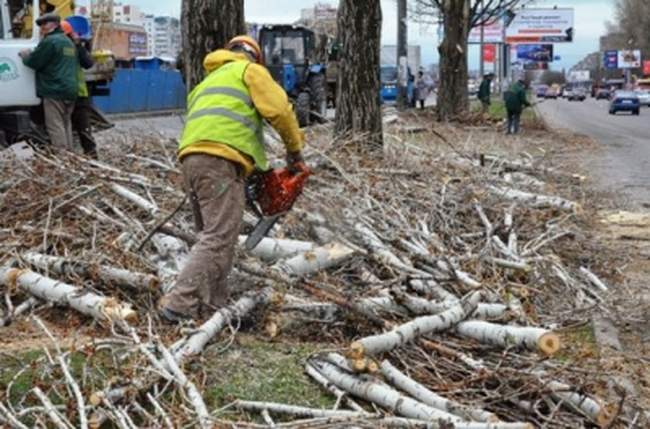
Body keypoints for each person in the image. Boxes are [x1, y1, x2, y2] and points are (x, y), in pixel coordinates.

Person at [159, 35, 306, 323]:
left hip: (192, 160)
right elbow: (279, 111)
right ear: (254, 56)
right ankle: (178, 303)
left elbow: (225, 126)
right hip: (219, 161)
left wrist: (257, 170)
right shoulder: (249, 70)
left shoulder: (207, 83)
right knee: (218, 237)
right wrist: (294, 153)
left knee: (214, 237)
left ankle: (214, 305)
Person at [19, 13, 78, 150]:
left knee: (55, 126)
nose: (41, 28)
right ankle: (71, 158)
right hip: (70, 90)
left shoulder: (50, 41)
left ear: (53, 25)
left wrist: (25, 56)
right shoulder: (68, 42)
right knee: (66, 124)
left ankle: (63, 158)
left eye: (44, 25)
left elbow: (35, 62)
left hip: (54, 90)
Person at [61, 20, 98, 158]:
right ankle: (92, 157)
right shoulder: (75, 48)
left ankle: (74, 157)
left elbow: (87, 63)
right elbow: (88, 63)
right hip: (78, 92)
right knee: (83, 129)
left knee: (67, 127)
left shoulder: (59, 46)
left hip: (68, 93)